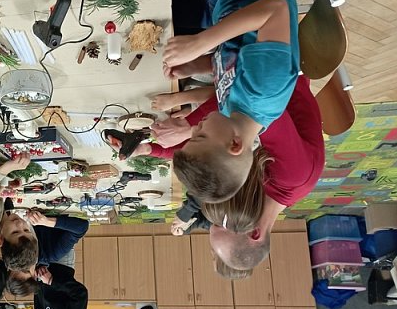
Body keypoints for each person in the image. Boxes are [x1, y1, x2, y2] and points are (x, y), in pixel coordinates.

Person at [135, 75, 325, 275]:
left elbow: (210, 153)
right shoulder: (293, 176)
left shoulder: (254, 197)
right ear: (254, 233)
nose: (221, 214)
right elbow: (251, 103)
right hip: (279, 72)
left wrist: (150, 150)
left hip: (241, 79)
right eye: (222, 223)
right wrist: (189, 127)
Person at [166, 0, 299, 203]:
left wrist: (194, 66)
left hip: (222, 5)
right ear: (235, 144)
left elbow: (232, 60)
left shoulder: (231, 114)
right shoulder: (264, 92)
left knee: (153, 5)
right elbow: (275, 9)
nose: (195, 127)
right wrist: (200, 43)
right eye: (201, 136)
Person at [1, 208, 89, 274]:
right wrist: (48, 222)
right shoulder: (52, 253)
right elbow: (82, 227)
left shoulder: (2, 228)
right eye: (26, 230)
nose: (20, 224)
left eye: (15, 232)